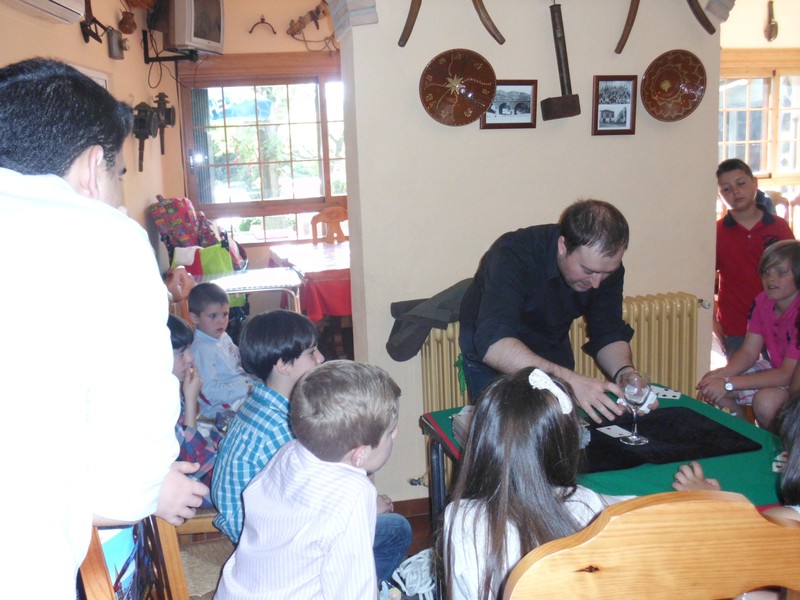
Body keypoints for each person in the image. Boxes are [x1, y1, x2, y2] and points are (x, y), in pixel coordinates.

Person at [0, 58, 206, 598]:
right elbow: (126, 487)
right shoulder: (102, 237)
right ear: (95, 166)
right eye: (119, 178)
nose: (117, 197)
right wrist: (151, 488)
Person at [211, 310, 411, 586]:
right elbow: (315, 505)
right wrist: (367, 510)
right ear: (283, 364)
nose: (321, 358)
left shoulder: (260, 405)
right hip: (267, 544)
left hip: (256, 532)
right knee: (398, 529)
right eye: (311, 352)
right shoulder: (286, 428)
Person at [440, 367, 630, 600]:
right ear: (566, 446)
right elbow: (633, 508)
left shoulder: (460, 518)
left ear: (481, 444)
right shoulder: (588, 503)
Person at [459, 199, 639, 422]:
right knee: (507, 436)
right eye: (588, 271)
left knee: (560, 435)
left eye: (607, 273)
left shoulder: (602, 267)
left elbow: (608, 332)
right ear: (563, 246)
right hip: (495, 357)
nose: (596, 283)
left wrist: (625, 373)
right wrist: (570, 381)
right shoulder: (513, 253)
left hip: (549, 347)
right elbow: (494, 346)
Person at [697, 240, 800, 432]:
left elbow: (787, 375)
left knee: (766, 402)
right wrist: (721, 375)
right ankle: (748, 436)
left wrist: (728, 383)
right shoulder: (762, 302)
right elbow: (748, 352)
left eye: (781, 272)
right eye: (766, 272)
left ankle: (781, 446)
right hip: (777, 369)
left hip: (794, 381)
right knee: (711, 385)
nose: (771, 278)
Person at [714, 158, 794, 360]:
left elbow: (794, 271)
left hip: (779, 319)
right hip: (736, 323)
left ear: (754, 184)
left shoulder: (778, 226)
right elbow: (703, 279)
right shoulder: (717, 232)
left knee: (781, 374)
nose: (735, 192)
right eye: (726, 189)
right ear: (719, 195)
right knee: (740, 375)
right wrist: (712, 321)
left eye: (741, 183)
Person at [168, 314, 222, 498]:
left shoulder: (170, 389)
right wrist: (191, 400)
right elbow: (189, 462)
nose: (190, 358)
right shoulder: (156, 404)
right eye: (181, 352)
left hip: (201, 468)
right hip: (191, 484)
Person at [188, 281, 255, 421]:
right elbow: (211, 393)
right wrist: (248, 389)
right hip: (224, 408)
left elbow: (238, 359)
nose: (221, 321)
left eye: (225, 314)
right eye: (213, 316)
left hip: (243, 388)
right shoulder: (200, 350)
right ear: (195, 318)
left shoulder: (221, 335)